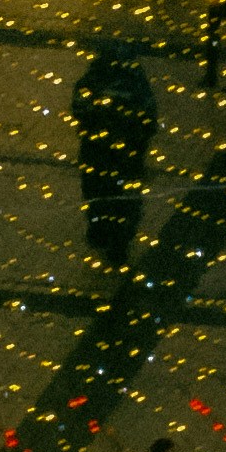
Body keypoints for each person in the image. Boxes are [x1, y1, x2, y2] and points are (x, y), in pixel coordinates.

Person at [71, 24, 161, 292]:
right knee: (112, 194)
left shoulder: (99, 78)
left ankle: (110, 235)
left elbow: (80, 106)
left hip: (109, 150)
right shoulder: (129, 81)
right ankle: (109, 235)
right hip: (115, 151)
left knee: (106, 192)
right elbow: (149, 117)